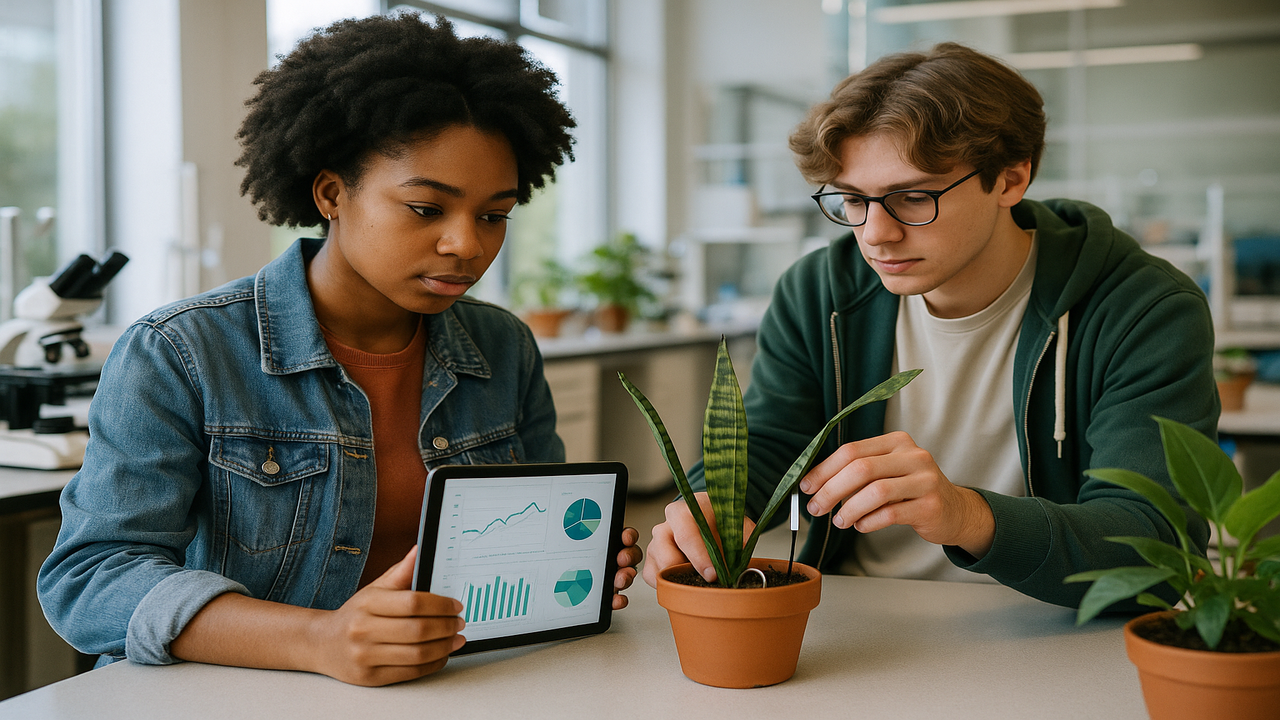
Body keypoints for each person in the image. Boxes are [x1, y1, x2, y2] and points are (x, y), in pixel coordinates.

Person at [39, 14, 641, 687]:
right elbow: (92, 579)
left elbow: (528, 541)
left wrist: (572, 559)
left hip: (448, 686)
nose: (468, 245)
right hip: (231, 694)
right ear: (331, 193)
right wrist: (320, 639)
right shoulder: (181, 351)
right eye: (425, 209)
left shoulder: (503, 346)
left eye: (494, 215)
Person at [643, 42, 1216, 609]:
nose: (875, 234)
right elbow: (773, 441)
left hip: (1055, 625)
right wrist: (713, 503)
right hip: (862, 619)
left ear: (1011, 180)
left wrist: (964, 515)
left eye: (913, 197)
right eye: (852, 200)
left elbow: (1157, 548)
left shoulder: (1144, 307)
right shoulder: (818, 290)